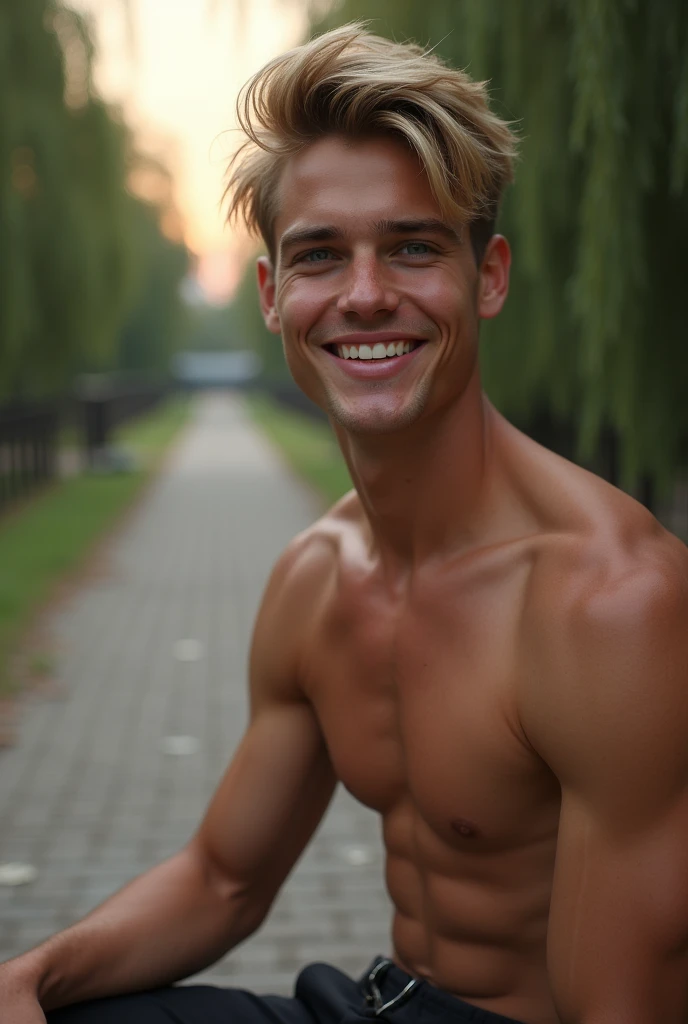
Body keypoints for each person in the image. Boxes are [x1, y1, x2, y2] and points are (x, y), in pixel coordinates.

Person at [2, 22, 688, 1024]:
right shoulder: (317, 575)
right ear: (275, 296)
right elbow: (223, 879)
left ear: (485, 276)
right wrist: (28, 979)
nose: (365, 296)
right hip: (374, 1003)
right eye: (321, 255)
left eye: (412, 248)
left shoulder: (606, 605)